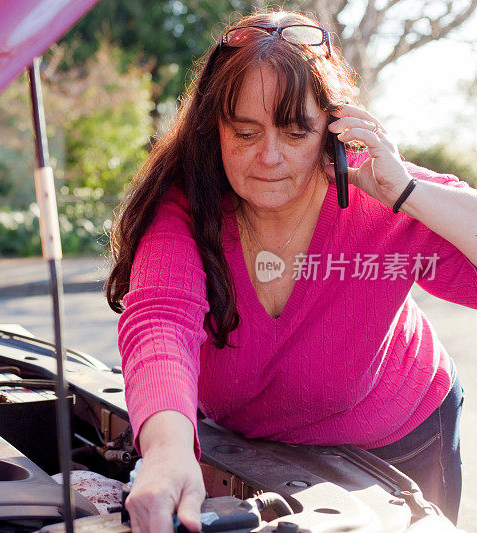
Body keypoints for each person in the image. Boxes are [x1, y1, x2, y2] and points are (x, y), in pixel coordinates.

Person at [105, 10, 477, 532]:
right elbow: (161, 322)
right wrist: (166, 452)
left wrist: (407, 192)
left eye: (296, 132)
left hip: (402, 441)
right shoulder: (187, 209)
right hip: (250, 449)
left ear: (333, 128)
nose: (269, 157)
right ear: (214, 129)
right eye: (245, 133)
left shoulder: (378, 190)